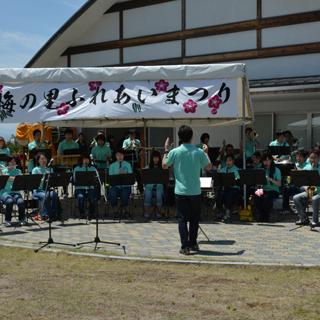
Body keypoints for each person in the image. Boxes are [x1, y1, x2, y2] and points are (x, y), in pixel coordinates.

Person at [162, 125, 211, 255]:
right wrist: (206, 152)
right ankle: (193, 243)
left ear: (179, 138)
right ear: (192, 137)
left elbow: (164, 165)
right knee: (194, 219)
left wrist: (166, 150)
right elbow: (209, 167)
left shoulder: (175, 152)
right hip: (195, 191)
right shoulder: (198, 151)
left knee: (182, 219)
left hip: (180, 191)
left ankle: (184, 246)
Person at [32, 152, 63, 221]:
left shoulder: (50, 169)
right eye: (42, 159)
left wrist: (51, 177)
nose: (44, 160)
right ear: (38, 160)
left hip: (47, 188)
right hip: (38, 190)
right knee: (45, 196)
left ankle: (55, 213)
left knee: (54, 194)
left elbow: (53, 181)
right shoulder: (35, 170)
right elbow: (34, 182)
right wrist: (44, 179)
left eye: (45, 159)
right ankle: (46, 215)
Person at [294, 149, 320, 227]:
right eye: (311, 158)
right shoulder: (308, 168)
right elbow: (302, 181)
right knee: (296, 198)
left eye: (315, 158)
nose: (313, 160)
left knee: (314, 199)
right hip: (309, 191)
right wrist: (306, 189)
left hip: (319, 192)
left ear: (319, 158)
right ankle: (303, 218)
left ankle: (315, 220)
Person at [254, 152, 281, 222]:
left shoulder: (276, 170)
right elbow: (258, 184)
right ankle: (261, 215)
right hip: (264, 190)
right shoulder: (262, 170)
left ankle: (266, 217)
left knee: (266, 197)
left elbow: (279, 184)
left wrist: (270, 179)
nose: (265, 162)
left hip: (274, 190)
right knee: (257, 197)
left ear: (271, 160)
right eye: (264, 161)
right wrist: (259, 184)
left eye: (267, 160)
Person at [281, 149, 311, 214]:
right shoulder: (296, 165)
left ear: (305, 158)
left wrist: (296, 169)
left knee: (303, 190)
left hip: (304, 185)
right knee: (285, 189)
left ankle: (302, 210)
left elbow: (305, 172)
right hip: (296, 185)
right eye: (297, 156)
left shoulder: (308, 165)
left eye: (300, 157)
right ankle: (286, 209)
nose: (298, 158)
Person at [0, 154, 26, 227]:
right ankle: (8, 220)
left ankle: (22, 219)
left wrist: (3, 174)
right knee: (9, 201)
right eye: (11, 162)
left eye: (14, 161)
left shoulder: (18, 171)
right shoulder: (3, 171)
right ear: (7, 163)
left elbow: (16, 179)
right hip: (5, 192)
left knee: (21, 202)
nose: (13, 163)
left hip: (16, 192)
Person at [215, 153, 240, 222]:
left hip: (234, 188)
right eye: (226, 161)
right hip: (225, 187)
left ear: (233, 161)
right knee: (219, 195)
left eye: (230, 160)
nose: (228, 162)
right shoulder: (223, 170)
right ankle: (219, 213)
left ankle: (227, 215)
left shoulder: (237, 170)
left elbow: (238, 181)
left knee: (229, 196)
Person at [108, 149, 132, 217]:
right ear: (115, 156)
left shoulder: (127, 164)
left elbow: (131, 176)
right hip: (115, 185)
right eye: (118, 155)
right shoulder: (112, 165)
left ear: (123, 156)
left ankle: (125, 211)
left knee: (124, 195)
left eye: (121, 155)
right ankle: (115, 210)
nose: (119, 157)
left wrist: (124, 172)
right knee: (112, 194)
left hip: (125, 185)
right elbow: (111, 177)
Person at [73, 151, 96, 220]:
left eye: (87, 159)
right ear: (81, 160)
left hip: (89, 187)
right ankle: (82, 213)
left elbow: (94, 180)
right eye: (84, 159)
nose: (86, 160)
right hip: (79, 188)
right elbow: (75, 181)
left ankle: (92, 213)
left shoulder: (92, 168)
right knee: (81, 197)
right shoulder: (77, 168)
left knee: (92, 198)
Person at [58, 128, 79, 196]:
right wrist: (63, 159)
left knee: (76, 176)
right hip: (65, 164)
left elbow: (78, 153)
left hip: (74, 163)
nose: (69, 136)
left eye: (70, 135)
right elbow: (59, 154)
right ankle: (65, 192)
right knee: (64, 178)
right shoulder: (61, 144)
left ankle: (76, 191)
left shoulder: (75, 143)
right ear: (65, 135)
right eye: (67, 135)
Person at [143, 150, 164, 218]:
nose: (155, 159)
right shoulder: (148, 167)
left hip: (159, 186)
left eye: (157, 158)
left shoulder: (161, 167)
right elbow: (144, 176)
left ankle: (159, 212)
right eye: (154, 158)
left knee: (158, 195)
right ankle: (146, 212)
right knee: (148, 194)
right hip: (149, 186)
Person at [91, 134, 112, 201]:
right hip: (97, 167)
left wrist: (107, 156)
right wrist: (95, 160)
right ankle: (97, 197)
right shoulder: (94, 149)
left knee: (107, 183)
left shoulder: (107, 148)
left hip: (106, 167)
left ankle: (107, 196)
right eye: (99, 140)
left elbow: (110, 158)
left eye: (102, 140)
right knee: (97, 184)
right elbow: (92, 158)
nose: (100, 142)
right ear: (97, 141)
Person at [122, 129, 143, 193]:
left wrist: (138, 146)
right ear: (129, 135)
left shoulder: (138, 141)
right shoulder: (126, 141)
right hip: (128, 161)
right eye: (132, 135)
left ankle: (141, 190)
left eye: (134, 135)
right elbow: (124, 150)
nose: (133, 136)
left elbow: (140, 150)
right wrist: (130, 145)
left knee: (138, 176)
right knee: (127, 176)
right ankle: (126, 190)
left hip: (135, 160)